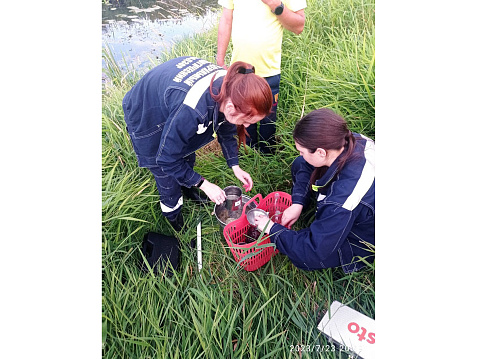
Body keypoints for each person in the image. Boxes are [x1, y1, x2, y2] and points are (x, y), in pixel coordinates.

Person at [122, 56, 273, 231]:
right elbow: (167, 159)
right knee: (166, 175)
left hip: (173, 102)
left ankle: (188, 188)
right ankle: (175, 221)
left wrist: (235, 165)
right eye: (247, 121)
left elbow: (226, 127)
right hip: (148, 111)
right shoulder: (192, 109)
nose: (246, 126)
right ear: (231, 107)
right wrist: (204, 184)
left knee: (186, 151)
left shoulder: (234, 87)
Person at [254, 108, 375, 273]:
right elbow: (304, 164)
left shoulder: (341, 201)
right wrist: (298, 202)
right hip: (358, 195)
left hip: (365, 233)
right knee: (300, 164)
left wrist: (271, 228)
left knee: (307, 259)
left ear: (320, 152)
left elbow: (313, 251)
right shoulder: (347, 139)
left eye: (302, 151)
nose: (301, 154)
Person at [216, 0, 307, 154]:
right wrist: (220, 60)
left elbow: (299, 26)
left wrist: (274, 4)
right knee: (243, 117)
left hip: (269, 72)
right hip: (240, 71)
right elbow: (226, 19)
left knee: (268, 120)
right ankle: (248, 154)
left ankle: (268, 155)